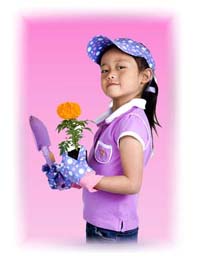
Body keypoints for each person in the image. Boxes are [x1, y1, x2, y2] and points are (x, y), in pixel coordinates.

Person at [43, 35, 161, 244]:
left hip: (112, 231)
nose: (111, 75)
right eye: (105, 70)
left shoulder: (130, 124)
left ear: (145, 76)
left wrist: (87, 178)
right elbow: (102, 169)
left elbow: (132, 183)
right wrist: (70, 176)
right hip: (100, 224)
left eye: (121, 67)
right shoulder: (112, 121)